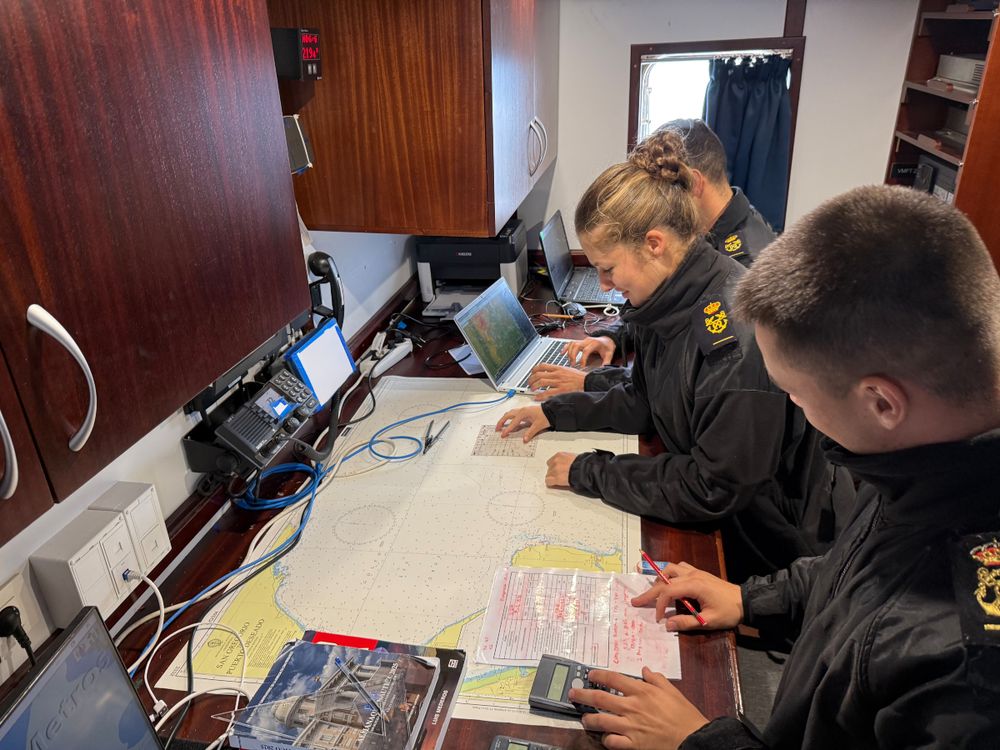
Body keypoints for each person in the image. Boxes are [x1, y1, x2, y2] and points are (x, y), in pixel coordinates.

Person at [569, 185, 1000, 749]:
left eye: (795, 393)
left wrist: (699, 742)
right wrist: (749, 600)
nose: (791, 408)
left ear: (881, 402)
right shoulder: (922, 456)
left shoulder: (968, 669)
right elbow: (855, 571)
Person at [495, 129, 853, 581]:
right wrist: (558, 412)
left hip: (765, 549)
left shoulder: (732, 338)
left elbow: (713, 487)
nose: (603, 285)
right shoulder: (665, 301)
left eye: (608, 268)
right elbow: (645, 401)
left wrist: (592, 472)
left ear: (654, 244)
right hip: (729, 514)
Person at [530, 118, 775, 399]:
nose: (659, 203)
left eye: (667, 187)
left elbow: (689, 380)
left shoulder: (748, 266)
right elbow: (666, 313)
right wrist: (615, 336)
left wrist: (591, 383)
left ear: (693, 183)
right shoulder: (694, 240)